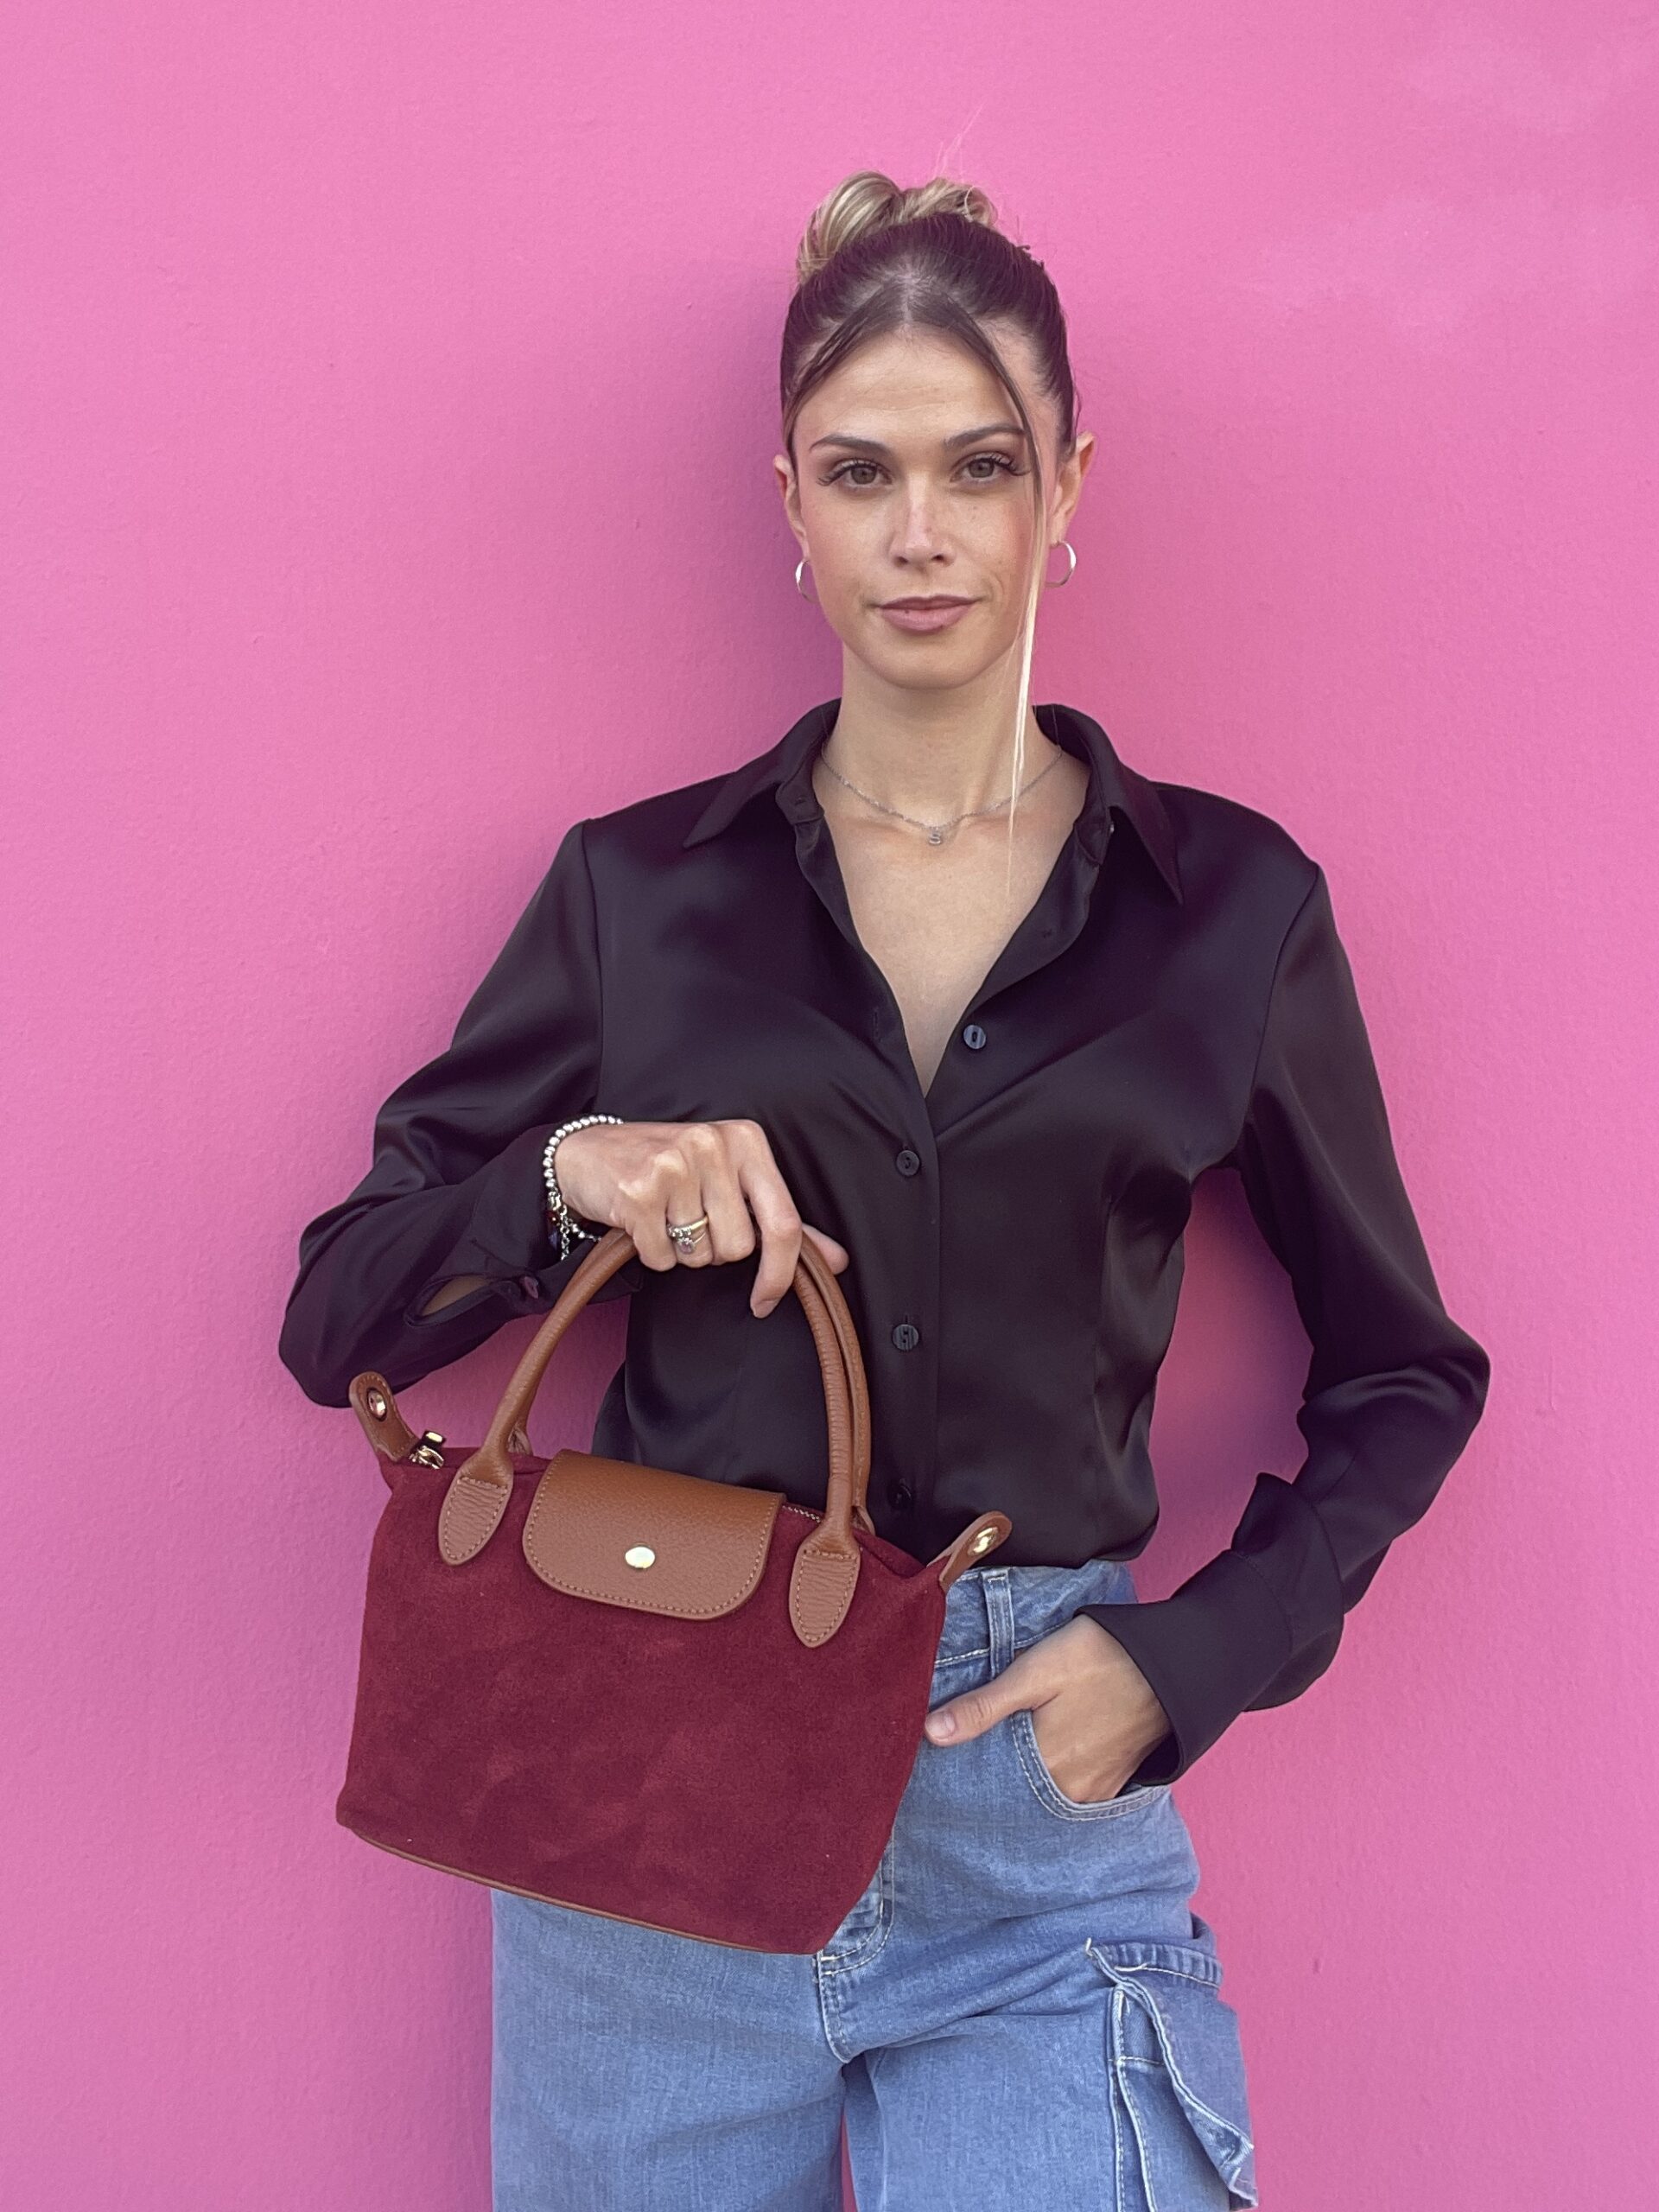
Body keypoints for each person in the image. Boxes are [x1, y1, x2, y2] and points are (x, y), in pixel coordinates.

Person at [280, 168, 1491, 2212]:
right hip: (644, 1800)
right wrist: (580, 1170)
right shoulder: (637, 892)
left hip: (1036, 1809)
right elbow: (339, 1316)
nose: (919, 533)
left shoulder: (1233, 911)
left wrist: (1192, 1658)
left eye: (978, 466)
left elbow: (1405, 1372)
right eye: (860, 472)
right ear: (791, 502)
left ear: (1066, 487)